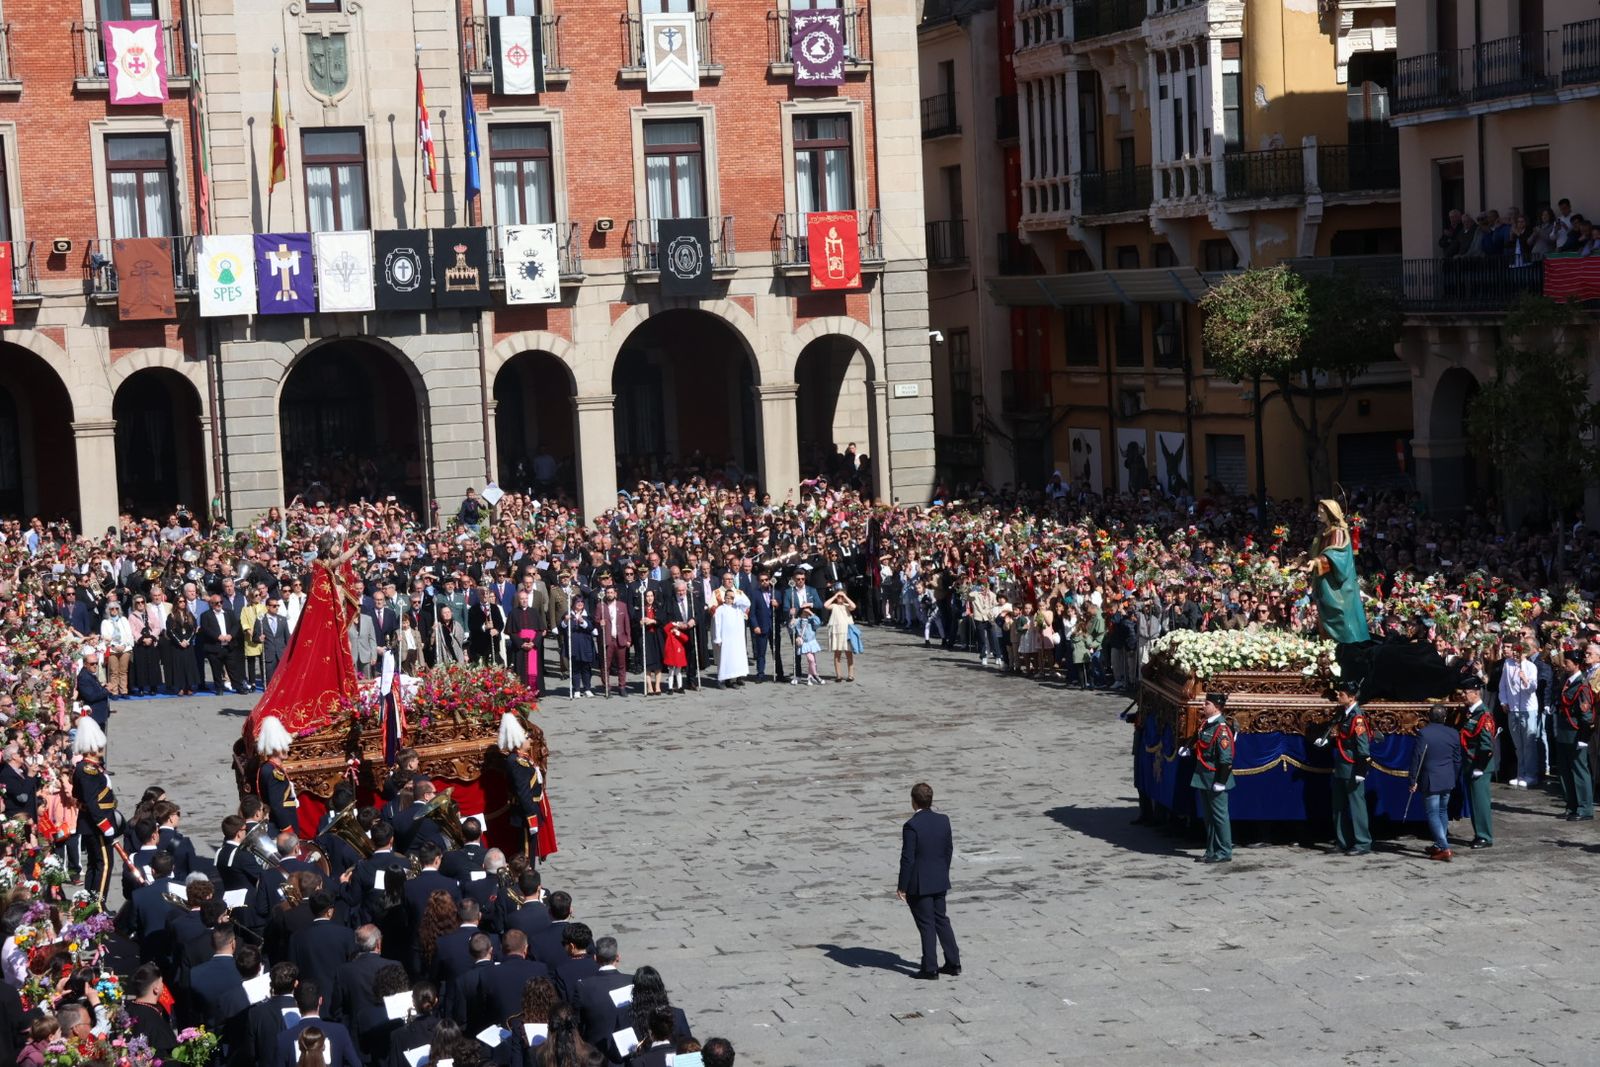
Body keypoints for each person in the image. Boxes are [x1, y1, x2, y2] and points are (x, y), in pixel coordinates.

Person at [895, 781, 960, 981]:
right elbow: (948, 849)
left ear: (913, 801)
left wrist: (902, 886)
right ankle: (953, 962)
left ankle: (930, 968)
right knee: (941, 920)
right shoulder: (943, 820)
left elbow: (908, 858)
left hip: (920, 883)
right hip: (939, 879)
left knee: (926, 924)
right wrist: (943, 872)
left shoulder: (912, 826)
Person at [1318, 679, 1372, 856]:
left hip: (1352, 765)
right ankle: (1343, 841)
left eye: (1341, 694)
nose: (1338, 696)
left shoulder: (1357, 718)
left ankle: (1362, 842)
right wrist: (1327, 740)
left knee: (1357, 805)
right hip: (1341, 764)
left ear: (1351, 697)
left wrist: (1361, 769)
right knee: (1338, 805)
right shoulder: (1343, 713)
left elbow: (1363, 745)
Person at [1303, 500, 1370, 644]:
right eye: (1318, 511)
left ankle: (1348, 645)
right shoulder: (1322, 532)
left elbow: (1337, 555)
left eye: (1322, 511)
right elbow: (1315, 553)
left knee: (1339, 613)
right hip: (1324, 581)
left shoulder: (1338, 532)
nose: (1318, 514)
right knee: (1325, 613)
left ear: (1330, 512)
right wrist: (1304, 559)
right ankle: (1328, 646)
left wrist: (1317, 562)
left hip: (1336, 585)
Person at [1183, 692, 1234, 864]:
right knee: (1209, 817)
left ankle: (1224, 851)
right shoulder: (1207, 724)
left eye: (1207, 704)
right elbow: (1199, 738)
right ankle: (1211, 850)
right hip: (1204, 776)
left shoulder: (1222, 730)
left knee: (1219, 816)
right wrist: (1187, 747)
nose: (1203, 706)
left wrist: (1221, 781)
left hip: (1215, 777)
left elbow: (1226, 759)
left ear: (1217, 707)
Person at [71, 715, 117, 904]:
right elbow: (91, 802)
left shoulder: (90, 767)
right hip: (96, 824)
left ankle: (90, 902)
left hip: (93, 823)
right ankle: (98, 904)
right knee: (104, 864)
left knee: (95, 864)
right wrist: (104, 824)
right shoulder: (87, 770)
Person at [1409, 705, 1464, 861]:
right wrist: (1454, 776)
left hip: (1431, 779)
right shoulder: (1453, 733)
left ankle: (1444, 847)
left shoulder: (1424, 733)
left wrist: (1413, 780)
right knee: (1442, 811)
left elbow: (1416, 758)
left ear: (1429, 717)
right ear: (1444, 718)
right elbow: (1457, 760)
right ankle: (1439, 844)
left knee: (1433, 813)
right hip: (1447, 778)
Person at [1554, 647, 1595, 821]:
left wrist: (1584, 738)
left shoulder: (1582, 685)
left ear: (1577, 664)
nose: (1564, 665)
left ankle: (1585, 808)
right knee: (1565, 771)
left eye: (1567, 662)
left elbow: (1587, 715)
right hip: (1564, 731)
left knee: (1579, 770)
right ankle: (1571, 805)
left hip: (1576, 732)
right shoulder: (1567, 681)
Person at [1459, 677, 1496, 849]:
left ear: (1475, 693)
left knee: (1480, 802)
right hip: (1470, 763)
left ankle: (1484, 836)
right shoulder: (1471, 713)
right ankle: (1479, 834)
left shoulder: (1484, 715)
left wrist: (1480, 767)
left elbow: (1486, 746)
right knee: (1474, 802)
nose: (1463, 695)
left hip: (1479, 765)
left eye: (1466, 692)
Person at [1500, 637, 1540, 787]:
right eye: (1515, 651)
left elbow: (1533, 688)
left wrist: (1525, 680)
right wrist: (1504, 701)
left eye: (1519, 652)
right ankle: (1520, 773)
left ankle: (1531, 774)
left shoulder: (1531, 666)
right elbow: (1503, 685)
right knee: (1518, 744)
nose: (1516, 655)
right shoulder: (1507, 664)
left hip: (1528, 709)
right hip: (1513, 709)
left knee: (1529, 743)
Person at [711, 586, 749, 689]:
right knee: (724, 660)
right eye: (727, 597)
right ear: (724, 598)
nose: (729, 599)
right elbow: (717, 624)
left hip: (736, 640)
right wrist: (718, 638)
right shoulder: (720, 609)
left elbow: (747, 603)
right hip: (725, 639)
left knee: (734, 660)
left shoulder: (738, 608)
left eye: (731, 598)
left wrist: (736, 596)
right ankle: (721, 680)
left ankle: (732, 680)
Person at [824, 585, 857, 683]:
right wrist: (835, 596)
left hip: (846, 632)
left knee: (849, 654)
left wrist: (845, 597)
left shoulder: (847, 606)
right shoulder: (834, 606)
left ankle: (851, 675)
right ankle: (838, 675)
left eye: (842, 597)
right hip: (837, 632)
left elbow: (854, 606)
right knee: (837, 654)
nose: (840, 598)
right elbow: (825, 605)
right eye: (839, 597)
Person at [76, 649, 112, 731]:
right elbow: (91, 696)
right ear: (85, 664)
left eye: (96, 663)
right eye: (92, 664)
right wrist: (106, 690)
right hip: (94, 716)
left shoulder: (89, 674)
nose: (95, 665)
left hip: (98, 715)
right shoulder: (84, 677)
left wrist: (103, 687)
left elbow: (94, 690)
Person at [790, 603, 824, 686]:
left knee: (811, 661)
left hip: (812, 641)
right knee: (811, 659)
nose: (807, 610)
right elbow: (791, 628)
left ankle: (810, 677)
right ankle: (816, 675)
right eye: (805, 609)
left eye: (808, 608)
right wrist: (792, 618)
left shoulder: (812, 620)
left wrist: (811, 613)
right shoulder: (798, 620)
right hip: (804, 643)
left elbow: (818, 623)